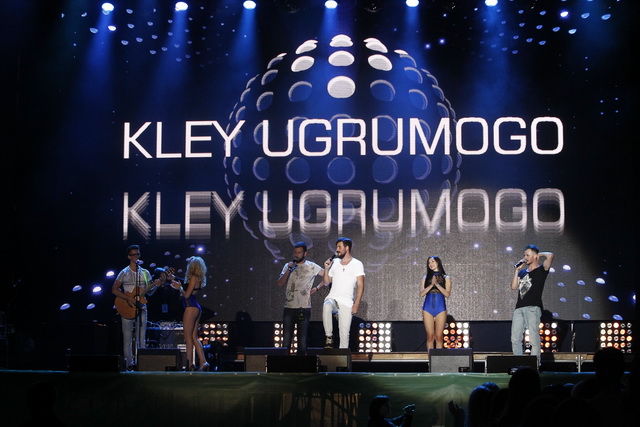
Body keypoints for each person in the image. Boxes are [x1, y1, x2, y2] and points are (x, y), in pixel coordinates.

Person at [112, 244, 159, 370]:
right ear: (129, 256)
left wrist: (157, 285)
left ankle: (141, 363)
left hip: (141, 307)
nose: (136, 257)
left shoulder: (145, 273)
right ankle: (129, 364)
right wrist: (129, 298)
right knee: (127, 338)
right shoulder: (124, 273)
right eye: (133, 255)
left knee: (141, 338)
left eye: (137, 254)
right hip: (126, 307)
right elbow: (114, 289)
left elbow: (150, 292)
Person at [276, 241, 325, 355]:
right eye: (295, 252)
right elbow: (279, 283)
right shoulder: (288, 266)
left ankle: (301, 364)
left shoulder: (312, 266)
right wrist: (288, 270)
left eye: (299, 252)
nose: (296, 255)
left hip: (304, 308)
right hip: (289, 308)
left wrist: (317, 288)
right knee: (286, 340)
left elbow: (328, 277)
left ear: (305, 253)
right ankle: (284, 364)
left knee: (302, 341)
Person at [510, 245, 555, 364]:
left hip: (533, 307)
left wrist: (539, 255)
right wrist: (517, 271)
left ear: (535, 256)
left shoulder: (541, 270)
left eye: (527, 255)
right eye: (524, 255)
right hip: (519, 308)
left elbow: (550, 255)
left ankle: (535, 364)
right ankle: (518, 364)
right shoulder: (522, 272)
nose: (525, 257)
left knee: (533, 339)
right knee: (515, 338)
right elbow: (514, 286)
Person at [320, 237, 365, 349]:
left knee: (344, 334)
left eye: (339, 247)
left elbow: (360, 285)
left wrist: (356, 304)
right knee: (327, 305)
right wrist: (326, 269)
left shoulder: (357, 264)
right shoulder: (334, 262)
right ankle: (329, 336)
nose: (337, 250)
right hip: (333, 298)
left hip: (347, 302)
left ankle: (343, 357)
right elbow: (326, 282)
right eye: (336, 247)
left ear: (347, 248)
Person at [171, 256, 210, 371]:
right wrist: (177, 282)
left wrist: (179, 288)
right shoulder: (197, 278)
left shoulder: (193, 278)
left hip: (190, 308)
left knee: (187, 337)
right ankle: (203, 362)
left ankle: (189, 364)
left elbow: (187, 295)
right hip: (196, 308)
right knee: (194, 337)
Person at [418, 256, 452, 350]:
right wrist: (431, 285)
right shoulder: (425, 277)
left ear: (438, 262)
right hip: (427, 308)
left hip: (440, 308)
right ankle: (430, 358)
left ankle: (438, 359)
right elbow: (421, 294)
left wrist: (437, 284)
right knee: (430, 336)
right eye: (429, 262)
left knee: (439, 337)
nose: (431, 264)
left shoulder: (446, 278)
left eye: (432, 261)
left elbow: (447, 294)